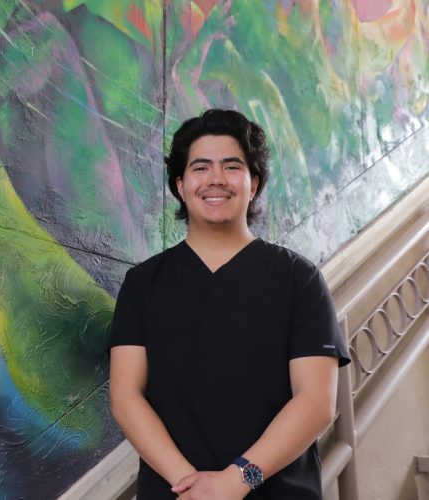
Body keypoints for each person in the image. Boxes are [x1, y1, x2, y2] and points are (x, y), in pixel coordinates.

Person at [108, 109, 350, 499]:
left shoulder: (299, 279)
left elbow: (316, 401)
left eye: (232, 166)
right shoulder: (143, 285)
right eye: (201, 167)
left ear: (254, 184)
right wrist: (194, 487)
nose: (216, 179)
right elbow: (125, 397)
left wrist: (237, 480)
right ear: (180, 185)